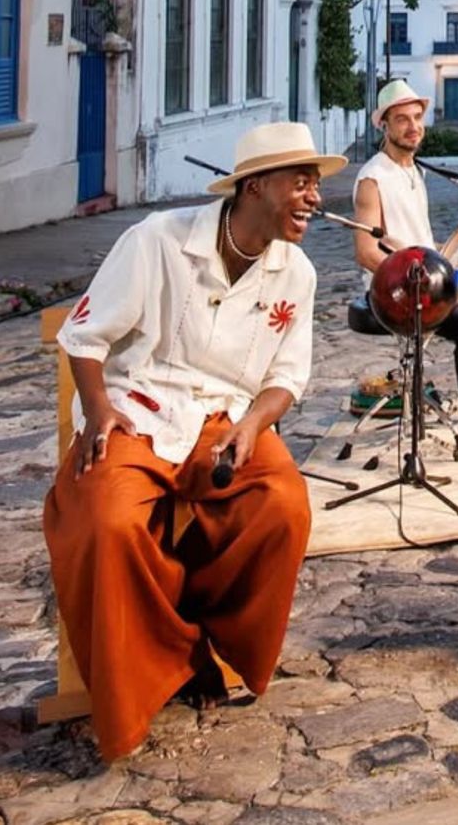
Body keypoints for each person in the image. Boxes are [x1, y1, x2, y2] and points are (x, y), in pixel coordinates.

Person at [44, 122, 345, 761]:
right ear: (255, 186)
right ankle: (167, 663)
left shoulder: (298, 272)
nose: (314, 197)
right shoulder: (157, 240)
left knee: (283, 508)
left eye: (316, 183)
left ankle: (220, 641)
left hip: (227, 419)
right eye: (301, 181)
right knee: (104, 523)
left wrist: (252, 426)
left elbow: (287, 376)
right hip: (140, 408)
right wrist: (97, 414)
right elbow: (84, 336)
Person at [352, 79, 458, 470]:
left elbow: (416, 238)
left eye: (417, 118)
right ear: (384, 126)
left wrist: (444, 266)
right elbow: (365, 251)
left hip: (429, 280)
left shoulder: (415, 171)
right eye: (402, 120)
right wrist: (421, 277)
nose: (413, 127)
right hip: (394, 292)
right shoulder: (372, 178)